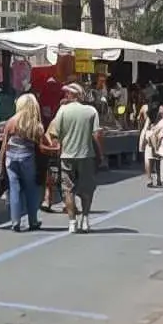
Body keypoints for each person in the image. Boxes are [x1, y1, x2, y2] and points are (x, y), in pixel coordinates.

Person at [50, 83, 104, 234]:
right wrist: (101, 153)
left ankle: (72, 222)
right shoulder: (91, 111)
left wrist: (58, 148)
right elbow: (97, 134)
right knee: (87, 189)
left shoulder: (62, 111)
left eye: (67, 93)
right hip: (86, 155)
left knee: (68, 189)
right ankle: (85, 219)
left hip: (67, 155)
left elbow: (55, 134)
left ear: (72, 95)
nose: (65, 96)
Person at [0, 94, 52, 232]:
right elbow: (43, 144)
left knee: (14, 189)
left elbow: (4, 145)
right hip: (27, 157)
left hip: (11, 157)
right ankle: (32, 220)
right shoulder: (36, 125)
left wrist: (1, 165)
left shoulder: (11, 122)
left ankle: (15, 221)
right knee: (31, 188)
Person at [139, 101, 162, 188]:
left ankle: (149, 179)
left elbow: (139, 119)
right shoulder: (160, 111)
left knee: (148, 158)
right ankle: (159, 178)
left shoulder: (144, 108)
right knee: (158, 158)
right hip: (157, 133)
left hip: (148, 133)